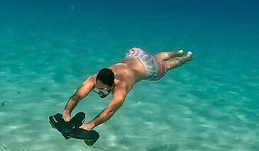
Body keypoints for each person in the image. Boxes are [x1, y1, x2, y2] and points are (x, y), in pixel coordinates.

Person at [62, 48, 193, 131]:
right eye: (97, 87)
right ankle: (177, 52)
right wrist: (67, 112)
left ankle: (186, 58)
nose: (97, 89)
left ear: (111, 84)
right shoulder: (95, 79)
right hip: (137, 54)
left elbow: (110, 110)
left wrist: (91, 124)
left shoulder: (121, 87)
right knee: (157, 58)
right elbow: (77, 96)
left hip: (148, 68)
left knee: (167, 65)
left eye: (101, 89)